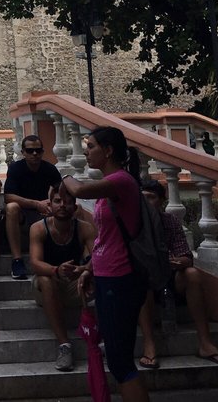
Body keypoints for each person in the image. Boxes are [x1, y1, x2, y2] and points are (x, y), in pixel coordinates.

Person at [64, 126, 150, 402]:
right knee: (117, 358)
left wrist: (63, 175)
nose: (86, 152)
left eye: (90, 146)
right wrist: (89, 268)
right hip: (106, 276)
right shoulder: (110, 184)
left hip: (121, 278)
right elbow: (105, 238)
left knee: (121, 361)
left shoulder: (121, 181)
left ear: (108, 150)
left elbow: (78, 189)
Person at [136, 180, 218, 369]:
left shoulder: (169, 221)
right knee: (142, 278)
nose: (147, 202)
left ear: (161, 201)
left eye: (152, 198)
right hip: (144, 283)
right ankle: (149, 344)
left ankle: (205, 342)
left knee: (192, 274)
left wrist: (173, 262)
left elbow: (186, 258)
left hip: (169, 278)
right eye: (143, 198)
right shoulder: (134, 223)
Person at [28, 185, 96, 372]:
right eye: (58, 201)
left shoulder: (85, 228)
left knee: (104, 275)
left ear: (75, 207)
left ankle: (105, 336)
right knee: (44, 279)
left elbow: (99, 256)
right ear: (50, 205)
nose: (63, 205)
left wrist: (85, 269)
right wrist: (56, 270)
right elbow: (35, 263)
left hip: (76, 282)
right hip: (49, 284)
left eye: (67, 201)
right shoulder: (38, 228)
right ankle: (64, 345)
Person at [3, 134, 62, 280]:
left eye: (38, 150)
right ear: (23, 152)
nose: (34, 154)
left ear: (42, 152)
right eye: (30, 151)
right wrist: (36, 204)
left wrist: (49, 203)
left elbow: (61, 193)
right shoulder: (16, 168)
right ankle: (17, 260)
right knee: (11, 208)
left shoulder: (50, 169)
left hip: (44, 214)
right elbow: (8, 196)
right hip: (23, 214)